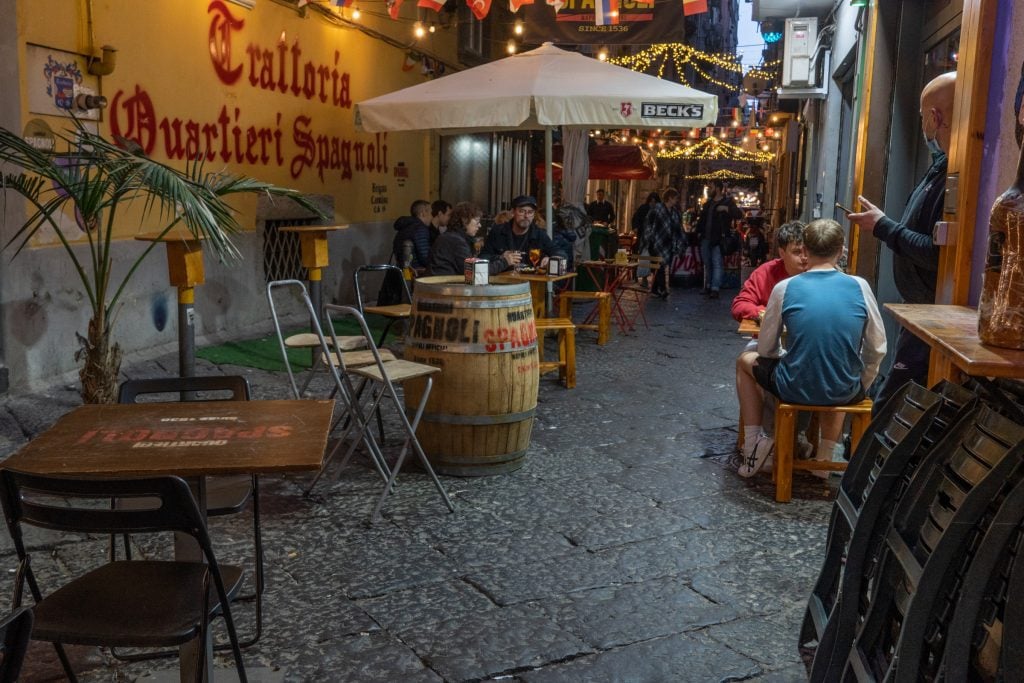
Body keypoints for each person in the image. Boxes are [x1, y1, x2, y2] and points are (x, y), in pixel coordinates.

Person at [736, 219, 887, 477]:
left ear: (805, 250)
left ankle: (753, 442)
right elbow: (877, 347)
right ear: (841, 251)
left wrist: (788, 358)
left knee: (744, 361)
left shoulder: (785, 288)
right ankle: (825, 457)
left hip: (794, 387)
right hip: (845, 389)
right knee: (842, 369)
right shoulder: (860, 286)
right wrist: (862, 381)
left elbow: (767, 349)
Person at [847, 71, 955, 412]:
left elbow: (938, 255)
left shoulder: (954, 174)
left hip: (933, 320)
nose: (924, 125)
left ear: (935, 117)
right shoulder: (940, 169)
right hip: (922, 316)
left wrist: (884, 227)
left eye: (924, 117)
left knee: (890, 409)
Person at [732, 221, 808, 465]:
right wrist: (760, 312)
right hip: (770, 346)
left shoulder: (818, 275)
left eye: (807, 250)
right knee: (747, 360)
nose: (804, 258)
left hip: (804, 350)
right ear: (781, 252)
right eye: (797, 252)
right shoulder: (766, 272)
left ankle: (794, 437)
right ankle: (754, 439)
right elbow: (740, 304)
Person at [479, 195, 566, 272]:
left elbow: (560, 253)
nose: (526, 216)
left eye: (530, 212)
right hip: (502, 283)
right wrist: (501, 258)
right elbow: (482, 258)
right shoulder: (498, 232)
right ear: (513, 212)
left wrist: (552, 259)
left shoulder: (539, 234)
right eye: (522, 211)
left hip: (531, 284)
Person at [429, 202, 506, 276]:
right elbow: (474, 271)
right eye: (477, 221)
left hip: (443, 284)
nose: (479, 225)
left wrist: (499, 259)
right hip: (443, 286)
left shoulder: (453, 236)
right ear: (465, 220)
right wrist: (504, 262)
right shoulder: (456, 241)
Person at [696, 180, 743, 299]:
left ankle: (715, 288)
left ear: (717, 188)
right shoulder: (708, 203)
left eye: (711, 187)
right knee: (707, 263)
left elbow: (738, 214)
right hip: (706, 237)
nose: (709, 189)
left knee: (717, 263)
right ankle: (708, 285)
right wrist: (698, 232)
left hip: (718, 238)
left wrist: (726, 209)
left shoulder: (727, 202)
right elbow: (702, 219)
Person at [642, 187, 681, 300]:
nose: (676, 201)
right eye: (675, 198)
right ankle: (663, 289)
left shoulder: (674, 212)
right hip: (656, 242)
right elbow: (648, 223)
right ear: (670, 198)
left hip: (667, 244)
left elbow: (677, 227)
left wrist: (678, 241)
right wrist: (649, 238)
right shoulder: (657, 209)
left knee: (661, 266)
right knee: (660, 266)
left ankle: (655, 289)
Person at [391, 199, 432, 270]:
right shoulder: (420, 229)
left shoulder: (405, 228)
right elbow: (425, 257)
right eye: (431, 213)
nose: (432, 217)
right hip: (416, 273)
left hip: (403, 272)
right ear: (423, 213)